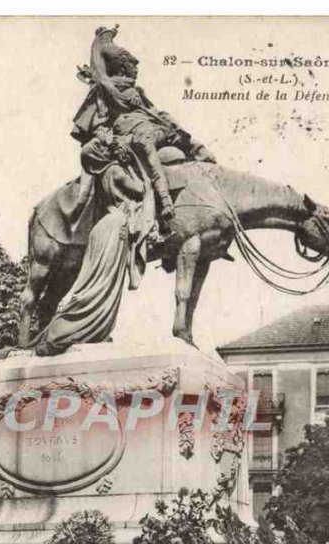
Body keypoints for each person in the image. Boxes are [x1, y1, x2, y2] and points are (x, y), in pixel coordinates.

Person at [72, 25, 215, 230]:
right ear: (123, 67)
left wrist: (169, 123)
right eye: (133, 66)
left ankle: (201, 156)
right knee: (141, 144)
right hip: (128, 135)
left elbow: (154, 112)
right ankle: (164, 199)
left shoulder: (136, 90)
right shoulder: (106, 90)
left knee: (174, 134)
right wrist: (109, 139)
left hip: (151, 127)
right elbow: (99, 123)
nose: (136, 70)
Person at [35, 137, 154, 355]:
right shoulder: (117, 172)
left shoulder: (101, 174)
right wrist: (143, 168)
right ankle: (64, 331)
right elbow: (142, 190)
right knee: (102, 285)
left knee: (96, 282)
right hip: (115, 227)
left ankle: (90, 330)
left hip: (103, 227)